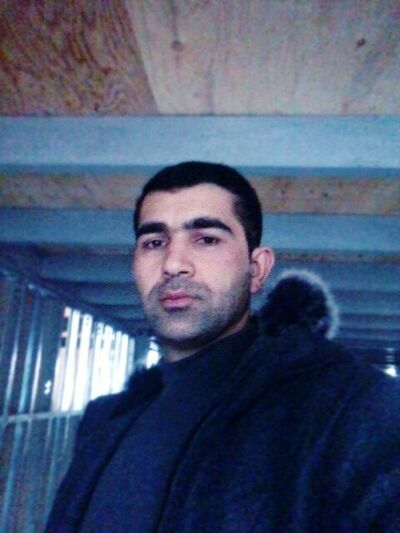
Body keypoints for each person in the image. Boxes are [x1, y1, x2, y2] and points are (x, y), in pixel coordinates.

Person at [46, 161, 400, 532]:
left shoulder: (352, 413)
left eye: (206, 239)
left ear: (257, 269)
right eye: (154, 243)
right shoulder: (104, 422)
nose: (173, 264)